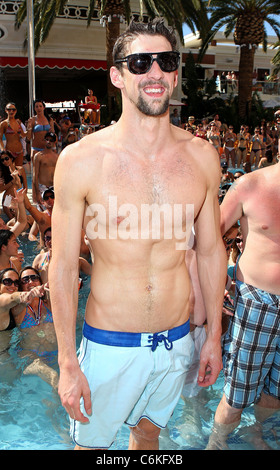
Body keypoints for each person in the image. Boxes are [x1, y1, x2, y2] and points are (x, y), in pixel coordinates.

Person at [49, 18, 226, 451]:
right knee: (91, 448)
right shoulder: (81, 160)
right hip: (109, 345)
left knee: (148, 438)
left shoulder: (202, 157)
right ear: (117, 76)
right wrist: (68, 362)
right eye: (140, 62)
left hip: (176, 342)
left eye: (166, 61)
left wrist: (215, 337)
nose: (155, 73)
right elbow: (64, 264)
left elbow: (210, 251)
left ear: (176, 72)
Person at [207, 161, 280, 450]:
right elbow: (209, 238)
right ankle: (216, 443)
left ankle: (257, 433)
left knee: (276, 389)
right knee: (237, 393)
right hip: (256, 301)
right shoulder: (249, 185)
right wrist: (215, 284)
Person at [32, 132, 58, 207]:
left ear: (54, 142)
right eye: (47, 139)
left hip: (54, 188)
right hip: (42, 188)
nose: (49, 142)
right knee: (41, 214)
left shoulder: (57, 156)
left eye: (51, 140)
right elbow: (35, 175)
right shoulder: (38, 156)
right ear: (44, 140)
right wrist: (36, 193)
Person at [0, 149, 28, 219]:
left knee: (21, 219)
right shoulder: (2, 173)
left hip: (19, 198)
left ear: (11, 158)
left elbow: (25, 186)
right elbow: (0, 190)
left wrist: (24, 198)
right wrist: (12, 182)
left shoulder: (20, 169)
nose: (5, 161)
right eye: (2, 160)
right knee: (13, 220)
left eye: (6, 158)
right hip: (8, 199)